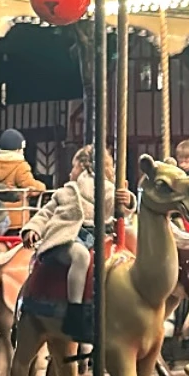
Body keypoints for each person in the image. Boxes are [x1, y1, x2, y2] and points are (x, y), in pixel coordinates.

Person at [22, 144, 115, 338]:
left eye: (73, 167)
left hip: (96, 236)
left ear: (82, 166)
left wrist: (128, 200)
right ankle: (75, 312)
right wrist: (33, 228)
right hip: (65, 238)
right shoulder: (66, 191)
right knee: (80, 256)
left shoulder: (106, 189)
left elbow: (118, 207)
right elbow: (46, 212)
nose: (71, 172)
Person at [0, 128, 46, 229]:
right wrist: (42, 186)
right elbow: (30, 185)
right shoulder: (20, 165)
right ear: (18, 149)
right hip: (16, 217)